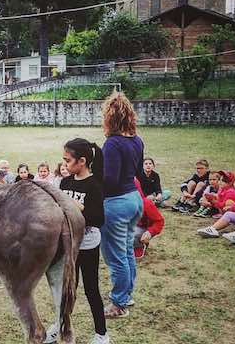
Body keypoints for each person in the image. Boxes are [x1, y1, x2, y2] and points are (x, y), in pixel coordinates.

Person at [45, 138, 109, 344]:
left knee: (91, 290)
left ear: (82, 161)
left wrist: (77, 209)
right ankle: (59, 325)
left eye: (67, 160)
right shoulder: (65, 182)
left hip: (88, 245)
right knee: (65, 289)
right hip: (67, 245)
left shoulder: (94, 185)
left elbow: (99, 219)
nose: (64, 164)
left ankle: (102, 334)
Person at [100, 91, 144, 319]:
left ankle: (119, 304)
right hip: (134, 200)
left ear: (110, 117)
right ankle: (126, 295)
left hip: (116, 204)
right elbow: (136, 172)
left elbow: (109, 180)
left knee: (116, 257)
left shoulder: (112, 144)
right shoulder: (137, 140)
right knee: (126, 251)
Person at [133, 178, 164, 259]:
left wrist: (150, 232)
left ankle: (138, 246)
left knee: (132, 233)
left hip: (140, 228)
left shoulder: (146, 203)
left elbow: (159, 221)